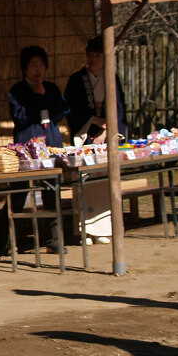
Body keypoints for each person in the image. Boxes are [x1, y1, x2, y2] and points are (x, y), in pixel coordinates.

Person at [64, 35, 128, 244]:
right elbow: (71, 109)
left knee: (105, 183)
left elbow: (119, 108)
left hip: (105, 136)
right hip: (85, 134)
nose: (93, 59)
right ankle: (84, 229)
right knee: (85, 183)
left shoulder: (111, 78)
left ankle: (104, 228)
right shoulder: (77, 80)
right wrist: (93, 119)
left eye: (98, 56)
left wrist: (107, 131)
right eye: (90, 55)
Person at [7, 45, 69, 253]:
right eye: (34, 65)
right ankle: (3, 242)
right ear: (25, 67)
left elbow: (60, 112)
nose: (38, 70)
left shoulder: (51, 88)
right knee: (18, 193)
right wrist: (37, 97)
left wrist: (45, 95)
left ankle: (54, 240)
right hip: (26, 147)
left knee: (52, 191)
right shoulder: (17, 91)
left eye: (41, 65)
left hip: (49, 144)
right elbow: (21, 116)